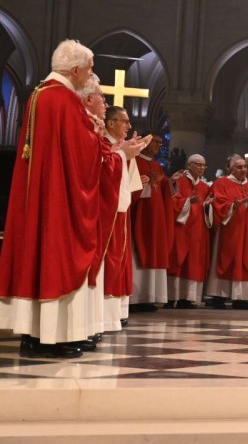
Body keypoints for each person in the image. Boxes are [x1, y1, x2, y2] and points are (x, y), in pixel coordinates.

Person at [0, 40, 149, 358]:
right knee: (60, 259)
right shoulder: (64, 101)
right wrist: (116, 153)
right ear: (76, 69)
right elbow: (84, 155)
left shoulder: (40, 95)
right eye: (91, 68)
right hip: (63, 200)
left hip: (45, 194)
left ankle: (35, 335)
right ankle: (53, 337)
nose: (92, 74)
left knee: (39, 258)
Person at [100, 106, 146, 330]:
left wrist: (131, 154)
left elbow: (130, 185)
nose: (129, 126)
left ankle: (117, 311)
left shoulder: (121, 147)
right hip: (106, 210)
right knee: (110, 258)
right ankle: (105, 315)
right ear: (110, 123)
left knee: (120, 257)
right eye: (124, 121)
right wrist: (124, 154)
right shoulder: (104, 144)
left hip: (121, 209)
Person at [205, 156, 248, 310]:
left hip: (246, 231)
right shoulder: (221, 183)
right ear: (230, 168)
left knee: (244, 260)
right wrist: (232, 206)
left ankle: (241, 298)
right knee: (224, 259)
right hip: (228, 230)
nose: (243, 170)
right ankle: (218, 296)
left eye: (245, 167)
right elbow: (217, 203)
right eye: (239, 167)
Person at [129, 133, 174, 309]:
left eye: (160, 142)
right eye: (155, 141)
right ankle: (135, 298)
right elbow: (127, 188)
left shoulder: (156, 166)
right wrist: (146, 185)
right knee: (138, 254)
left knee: (155, 252)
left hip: (156, 219)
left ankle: (149, 297)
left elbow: (165, 195)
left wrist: (170, 183)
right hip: (140, 217)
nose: (158, 145)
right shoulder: (135, 162)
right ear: (144, 142)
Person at [169, 154, 213, 309]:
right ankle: (171, 297)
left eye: (203, 165)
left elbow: (208, 208)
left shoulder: (205, 187)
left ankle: (187, 298)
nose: (201, 168)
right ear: (189, 165)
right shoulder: (179, 181)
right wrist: (188, 201)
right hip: (181, 228)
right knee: (178, 259)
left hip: (197, 230)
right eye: (198, 164)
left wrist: (208, 206)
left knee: (194, 262)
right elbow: (171, 202)